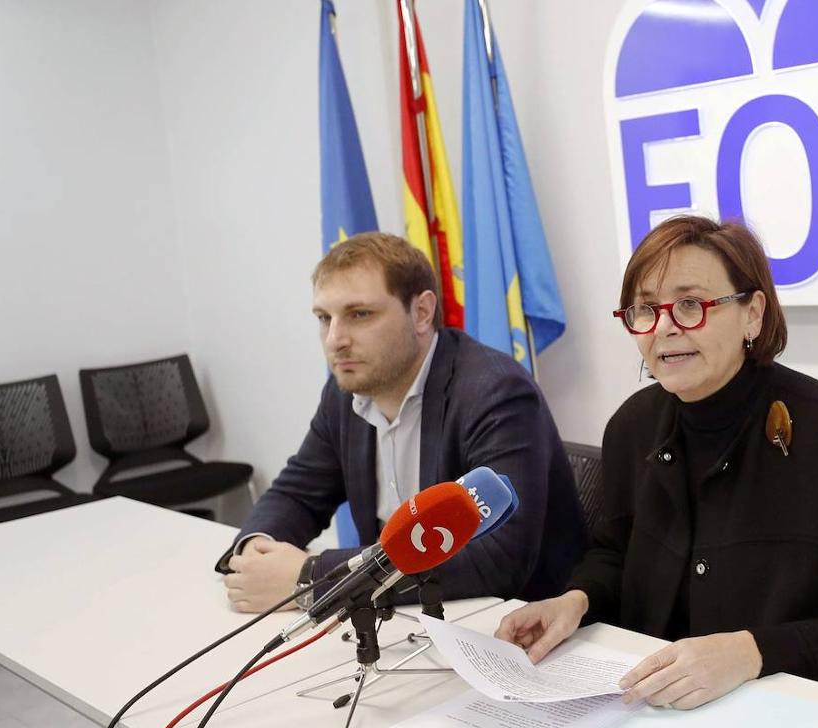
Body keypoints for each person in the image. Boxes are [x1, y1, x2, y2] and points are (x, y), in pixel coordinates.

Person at [497, 216, 818, 709]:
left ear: (753, 314)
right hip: (657, 711)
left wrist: (751, 653)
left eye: (689, 304)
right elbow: (616, 554)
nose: (663, 327)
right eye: (645, 308)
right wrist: (575, 601)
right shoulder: (631, 428)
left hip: (799, 718)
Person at [216, 232, 585, 611]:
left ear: (422, 312)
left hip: (514, 624)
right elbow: (298, 493)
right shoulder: (345, 392)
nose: (334, 339)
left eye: (360, 314)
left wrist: (312, 577)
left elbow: (497, 558)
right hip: (403, 615)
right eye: (324, 318)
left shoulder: (495, 391)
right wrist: (253, 552)